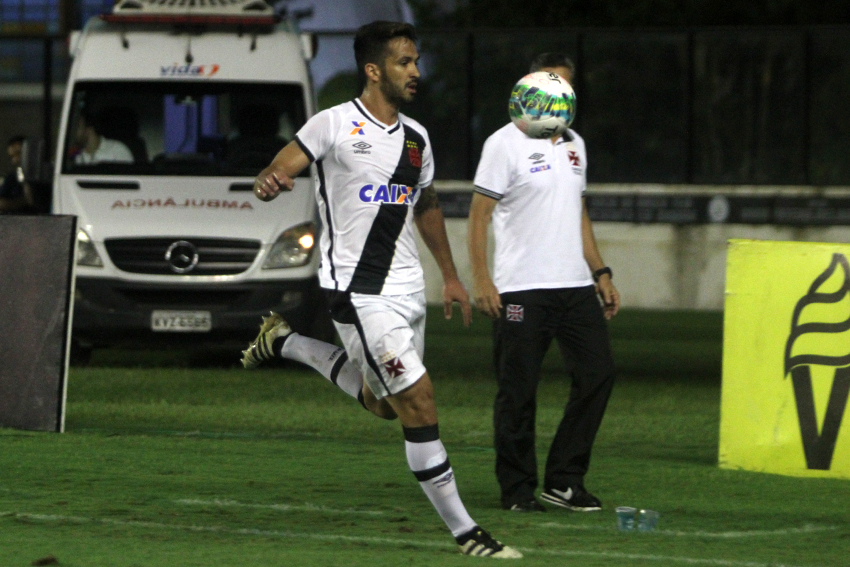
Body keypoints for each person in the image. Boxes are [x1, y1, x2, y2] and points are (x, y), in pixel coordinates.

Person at [241, 21, 521, 559]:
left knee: (384, 404)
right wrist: (269, 181)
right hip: (357, 291)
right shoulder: (333, 123)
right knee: (418, 400)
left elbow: (426, 205)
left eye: (415, 61)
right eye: (404, 62)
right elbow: (279, 167)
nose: (416, 72)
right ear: (374, 70)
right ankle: (468, 533)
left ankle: (286, 342)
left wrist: (451, 276)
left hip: (407, 289)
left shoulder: (416, 138)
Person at [468, 53, 619, 513]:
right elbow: (479, 216)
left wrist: (600, 271)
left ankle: (564, 481)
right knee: (518, 391)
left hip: (575, 287)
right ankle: (517, 490)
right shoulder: (503, 143)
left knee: (598, 375)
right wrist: (482, 279)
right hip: (521, 288)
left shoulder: (576, 144)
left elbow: (579, 213)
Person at [0, 135, 34, 214]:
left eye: (18, 154)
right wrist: (22, 201)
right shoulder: (12, 178)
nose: (15, 160)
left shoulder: (43, 175)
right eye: (12, 156)